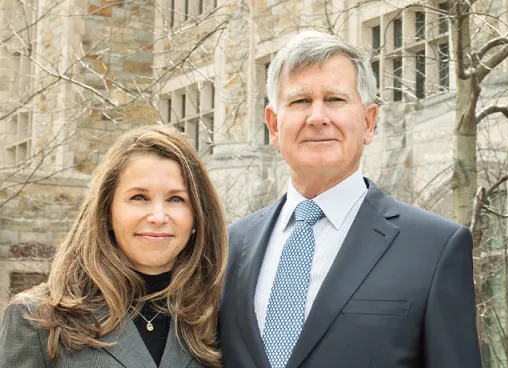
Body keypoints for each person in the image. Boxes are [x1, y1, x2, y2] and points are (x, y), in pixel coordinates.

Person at [219, 31, 482, 368]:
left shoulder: (435, 249)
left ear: (369, 122)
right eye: (300, 101)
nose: (317, 117)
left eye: (335, 99)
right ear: (273, 125)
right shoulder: (229, 248)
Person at [0, 125, 227, 368]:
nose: (159, 216)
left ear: (198, 215)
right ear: (107, 210)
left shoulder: (220, 317)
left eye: (176, 199)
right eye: (139, 197)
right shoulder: (37, 319)